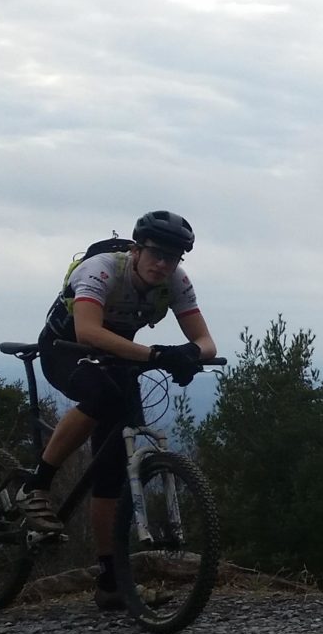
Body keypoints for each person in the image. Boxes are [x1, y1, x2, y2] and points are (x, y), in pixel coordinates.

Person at [19, 210, 217, 608]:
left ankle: (110, 583)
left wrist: (187, 355)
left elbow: (206, 342)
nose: (163, 264)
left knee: (113, 472)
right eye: (157, 254)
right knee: (102, 397)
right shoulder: (102, 269)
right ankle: (36, 485)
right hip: (65, 350)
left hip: (119, 359)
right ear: (138, 249)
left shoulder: (175, 282)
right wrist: (155, 354)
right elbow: (87, 331)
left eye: (173, 257)